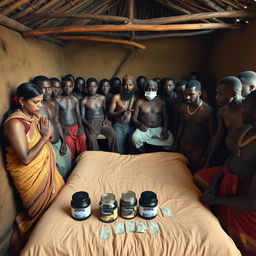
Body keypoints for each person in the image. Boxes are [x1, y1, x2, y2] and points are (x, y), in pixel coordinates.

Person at [2, 83, 64, 255]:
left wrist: (46, 136)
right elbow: (26, 159)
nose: (40, 106)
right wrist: (44, 137)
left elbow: (49, 138)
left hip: (45, 170)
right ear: (22, 101)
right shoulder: (15, 124)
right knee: (37, 215)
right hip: (30, 176)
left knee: (56, 207)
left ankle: (52, 238)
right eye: (36, 102)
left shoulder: (34, 115)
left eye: (41, 102)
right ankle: (39, 243)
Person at [194, 90, 256, 256]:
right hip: (229, 179)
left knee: (241, 245)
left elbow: (252, 203)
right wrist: (214, 185)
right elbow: (231, 158)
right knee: (199, 178)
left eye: (246, 107)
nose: (242, 109)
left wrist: (216, 200)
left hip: (245, 198)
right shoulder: (248, 130)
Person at [34, 76, 72, 180]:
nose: (47, 91)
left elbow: (57, 123)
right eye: (43, 88)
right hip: (48, 144)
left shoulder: (53, 103)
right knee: (61, 169)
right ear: (36, 89)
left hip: (58, 141)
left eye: (49, 88)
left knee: (68, 158)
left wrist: (63, 141)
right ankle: (62, 191)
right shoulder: (35, 108)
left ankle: (70, 185)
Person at [173, 80, 214, 172]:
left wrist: (206, 157)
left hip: (199, 149)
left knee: (193, 173)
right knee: (180, 170)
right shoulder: (183, 107)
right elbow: (181, 126)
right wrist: (176, 142)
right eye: (185, 94)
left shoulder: (207, 111)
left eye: (191, 94)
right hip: (184, 144)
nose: (187, 97)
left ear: (199, 93)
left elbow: (213, 136)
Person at [204, 76, 244, 167]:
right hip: (226, 153)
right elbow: (218, 135)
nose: (216, 97)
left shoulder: (248, 111)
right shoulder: (223, 110)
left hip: (242, 158)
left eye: (220, 94)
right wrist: (208, 159)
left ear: (233, 93)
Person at [131, 80, 173, 153]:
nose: (150, 91)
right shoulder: (139, 102)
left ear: (156, 90)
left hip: (158, 128)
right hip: (144, 128)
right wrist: (140, 125)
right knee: (134, 138)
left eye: (153, 89)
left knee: (170, 139)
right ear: (145, 89)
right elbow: (133, 118)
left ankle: (161, 153)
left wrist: (165, 129)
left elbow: (166, 118)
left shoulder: (161, 101)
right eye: (148, 89)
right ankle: (144, 153)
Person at [80, 77, 116, 151]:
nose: (92, 89)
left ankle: (112, 154)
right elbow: (82, 117)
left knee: (113, 134)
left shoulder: (102, 98)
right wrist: (89, 127)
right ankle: (97, 156)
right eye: (90, 87)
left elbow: (105, 110)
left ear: (97, 87)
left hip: (102, 121)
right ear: (87, 88)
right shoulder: (84, 101)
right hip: (91, 122)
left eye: (94, 86)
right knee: (91, 138)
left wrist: (106, 119)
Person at [56, 77, 86, 161]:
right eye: (65, 86)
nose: (67, 88)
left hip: (75, 127)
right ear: (62, 87)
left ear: (72, 87)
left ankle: (82, 161)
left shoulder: (75, 99)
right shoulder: (57, 100)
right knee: (69, 143)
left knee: (83, 138)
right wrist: (63, 128)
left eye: (69, 86)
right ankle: (72, 164)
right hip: (65, 128)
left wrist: (80, 127)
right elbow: (56, 117)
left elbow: (78, 114)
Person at [109, 75, 136, 154]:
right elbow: (110, 113)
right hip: (119, 126)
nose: (127, 87)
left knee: (132, 149)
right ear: (122, 85)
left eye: (130, 85)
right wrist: (121, 113)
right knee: (119, 152)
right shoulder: (116, 97)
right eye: (125, 84)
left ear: (133, 86)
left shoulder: (135, 98)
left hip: (131, 126)